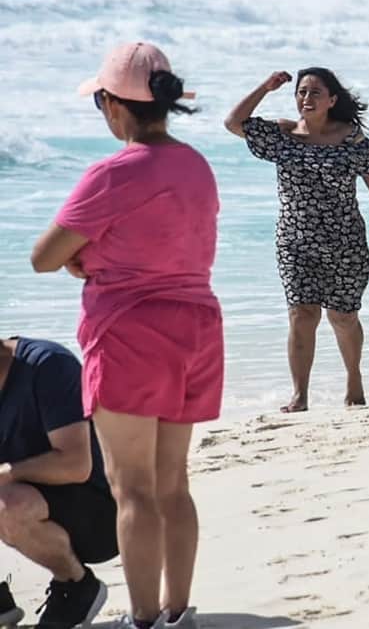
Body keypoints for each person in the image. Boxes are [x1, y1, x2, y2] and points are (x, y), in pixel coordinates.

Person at [30, 41, 223, 629]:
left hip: (130, 332)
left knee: (131, 488)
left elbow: (44, 256)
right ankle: (178, 612)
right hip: (198, 327)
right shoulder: (197, 165)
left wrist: (83, 260)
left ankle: (142, 620)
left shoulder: (111, 173)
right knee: (174, 484)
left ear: (114, 106)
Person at [224, 68, 369, 412]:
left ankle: (354, 379)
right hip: (295, 240)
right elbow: (233, 122)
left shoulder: (353, 141)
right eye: (301, 92)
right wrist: (265, 87)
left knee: (343, 316)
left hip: (345, 241)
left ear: (332, 100)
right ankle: (300, 395)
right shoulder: (282, 135)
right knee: (301, 314)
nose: (306, 99)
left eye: (315, 92)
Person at [0, 337, 116, 629]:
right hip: (33, 498)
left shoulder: (48, 365)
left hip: (99, 512)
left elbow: (76, 465)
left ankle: (76, 585)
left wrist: (6, 473)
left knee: (6, 503)